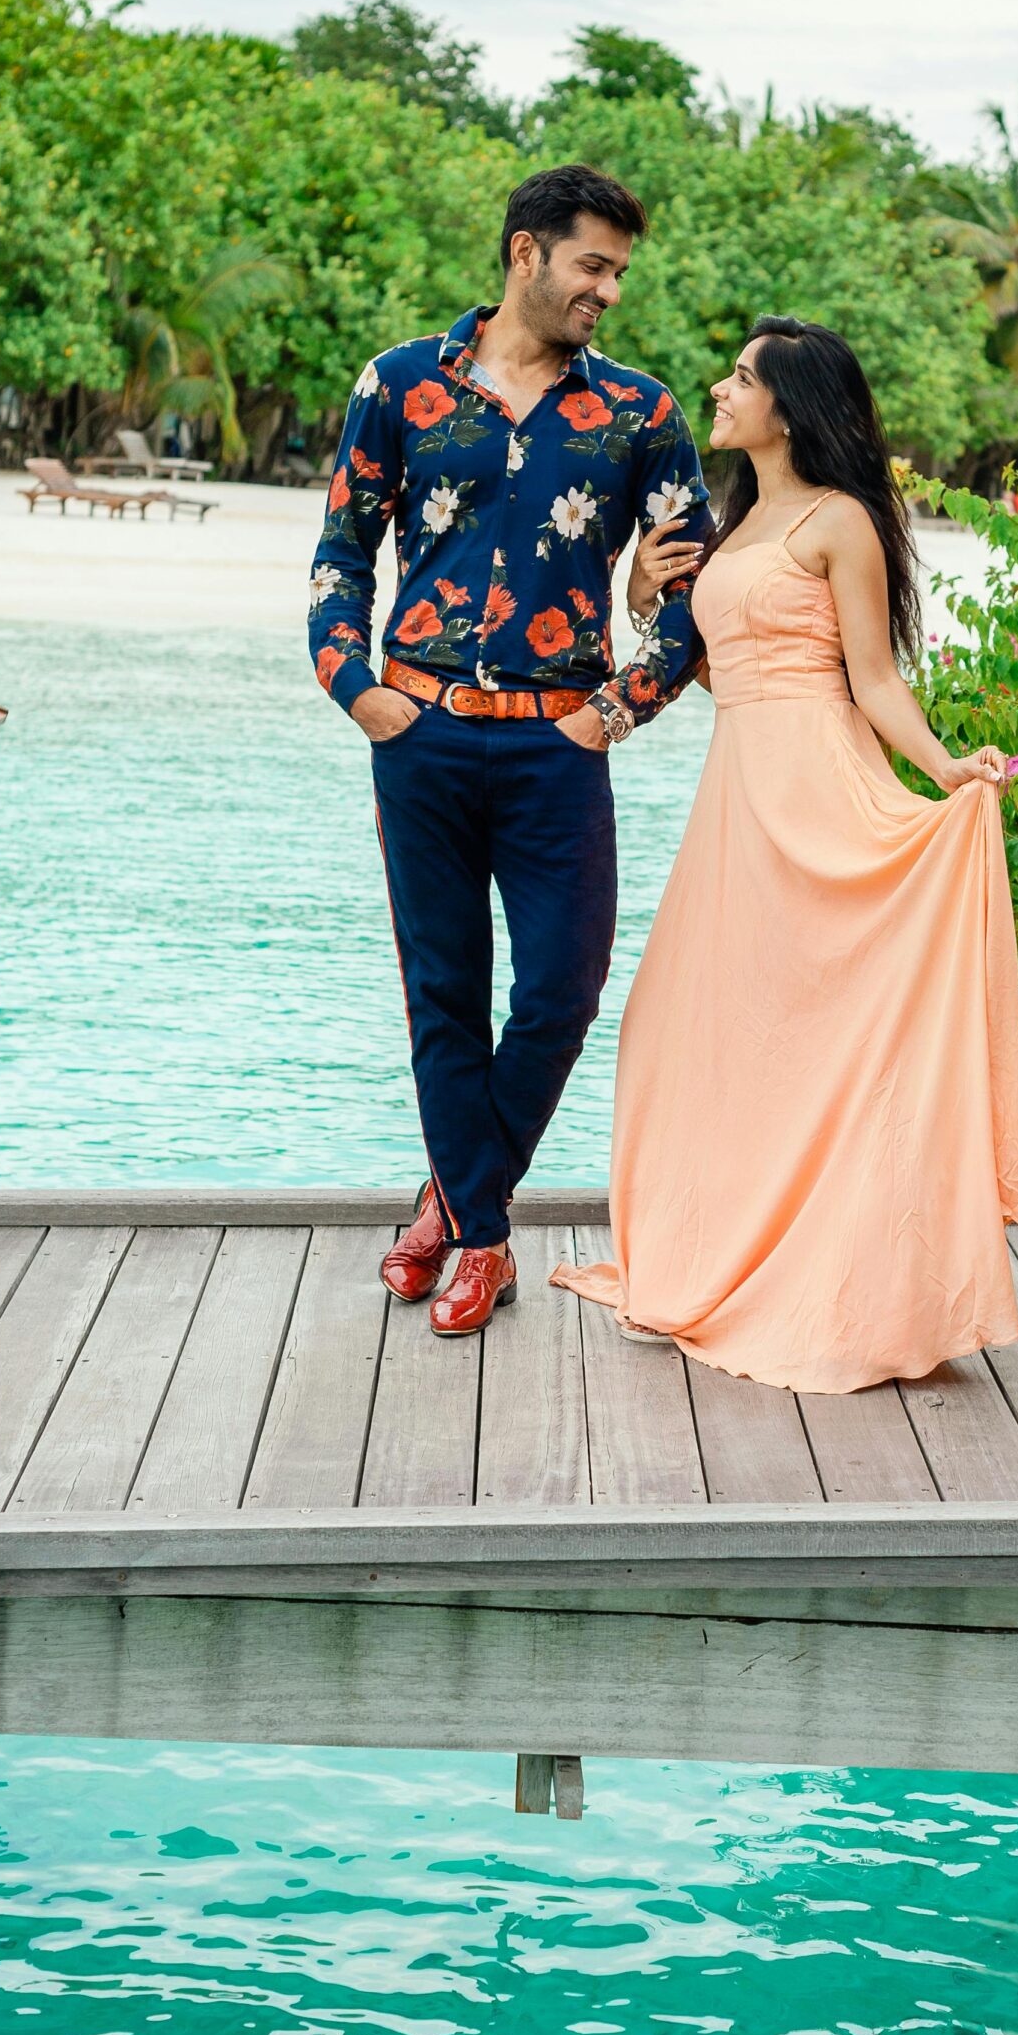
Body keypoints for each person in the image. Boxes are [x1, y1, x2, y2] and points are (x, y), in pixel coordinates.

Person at [551, 317, 1018, 1393]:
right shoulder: (735, 524)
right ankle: (710, 1252)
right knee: (691, 1030)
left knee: (818, 1037)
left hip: (820, 788)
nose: (720, 390)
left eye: (741, 378)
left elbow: (871, 680)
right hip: (740, 797)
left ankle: (844, 1278)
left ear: (790, 406)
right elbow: (715, 666)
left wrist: (945, 769)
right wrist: (644, 594)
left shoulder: (841, 523)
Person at [307, 164, 710, 1336]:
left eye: (620, 272)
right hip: (421, 737)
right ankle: (484, 1240)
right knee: (443, 997)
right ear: (525, 253)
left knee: (562, 991)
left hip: (557, 748)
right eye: (593, 265)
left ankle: (448, 1199)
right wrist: (359, 691)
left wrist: (618, 709)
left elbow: (696, 591)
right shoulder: (396, 383)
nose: (609, 292)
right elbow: (340, 549)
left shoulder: (641, 413)